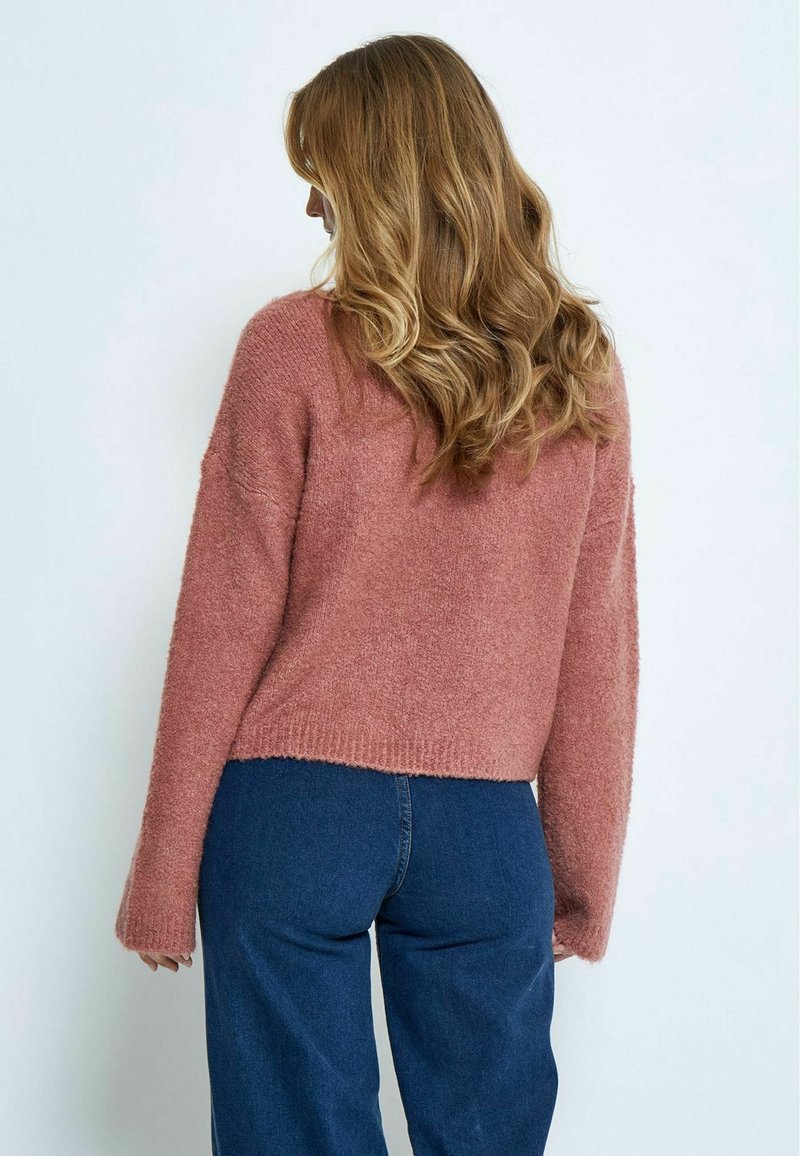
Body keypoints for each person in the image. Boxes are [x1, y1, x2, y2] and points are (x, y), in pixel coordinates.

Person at [114, 33, 640, 1156]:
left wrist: (163, 870)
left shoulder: (288, 347)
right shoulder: (576, 366)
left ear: (375, 176)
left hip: (291, 813)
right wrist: (581, 871)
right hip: (487, 826)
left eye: (323, 173)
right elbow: (594, 639)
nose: (311, 203)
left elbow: (224, 615)